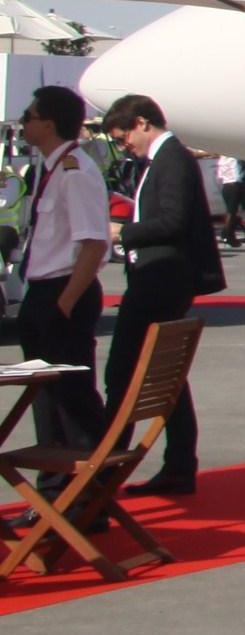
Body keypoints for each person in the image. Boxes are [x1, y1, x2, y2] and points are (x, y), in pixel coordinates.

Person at [99, 93, 220, 494]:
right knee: (165, 379)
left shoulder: (172, 160)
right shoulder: (166, 159)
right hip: (158, 278)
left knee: (123, 374)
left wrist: (124, 233)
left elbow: (173, 220)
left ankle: (106, 465)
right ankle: (178, 465)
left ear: (142, 123)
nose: (124, 147)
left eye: (123, 138)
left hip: (161, 281)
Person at [14, 87, 112, 450]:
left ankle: (88, 477)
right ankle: (54, 478)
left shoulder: (75, 171)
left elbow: (94, 244)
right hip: (42, 289)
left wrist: (64, 304)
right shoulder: (53, 167)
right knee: (44, 395)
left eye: (29, 116)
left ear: (49, 124)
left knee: (73, 395)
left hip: (63, 290)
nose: (23, 123)